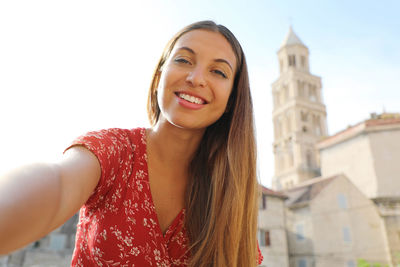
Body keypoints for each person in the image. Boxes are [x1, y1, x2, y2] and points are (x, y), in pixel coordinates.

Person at [0, 20, 263, 266]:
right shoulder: (112, 150)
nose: (196, 78)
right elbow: (58, 183)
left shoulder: (232, 196)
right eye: (184, 60)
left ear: (232, 100)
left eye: (218, 71)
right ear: (160, 74)